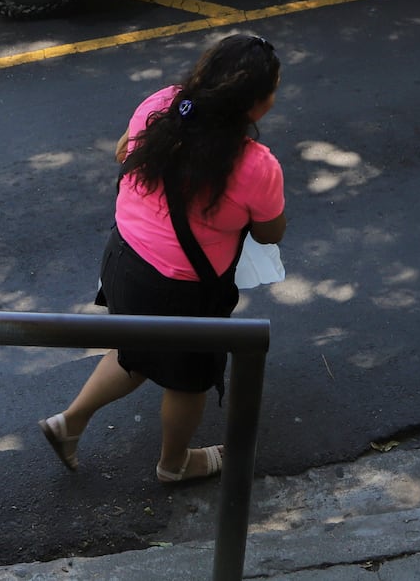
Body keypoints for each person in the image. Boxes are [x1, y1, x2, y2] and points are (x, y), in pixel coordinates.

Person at [39, 33, 286, 484]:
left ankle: (68, 423)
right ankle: (174, 464)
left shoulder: (162, 103)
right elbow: (270, 233)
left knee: (135, 350)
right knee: (187, 381)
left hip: (124, 259)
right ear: (257, 106)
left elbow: (123, 151)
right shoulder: (255, 165)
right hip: (182, 290)